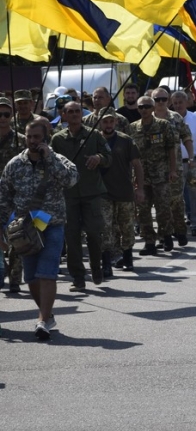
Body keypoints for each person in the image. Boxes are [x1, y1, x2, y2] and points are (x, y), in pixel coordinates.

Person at [0, 121, 78, 339]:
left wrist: (50, 158)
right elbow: (4, 196)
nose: (33, 141)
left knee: (47, 273)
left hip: (52, 224)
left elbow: (71, 180)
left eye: (37, 137)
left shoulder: (58, 160)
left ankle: (42, 321)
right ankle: (47, 313)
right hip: (25, 228)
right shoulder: (15, 164)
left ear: (46, 137)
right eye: (29, 136)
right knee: (31, 277)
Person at [50, 100, 112, 292]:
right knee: (72, 236)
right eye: (71, 112)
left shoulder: (94, 135)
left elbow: (109, 158)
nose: (75, 114)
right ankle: (78, 277)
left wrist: (99, 158)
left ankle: (96, 268)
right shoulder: (57, 139)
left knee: (94, 233)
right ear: (64, 115)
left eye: (78, 111)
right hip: (68, 195)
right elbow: (51, 164)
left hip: (91, 192)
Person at [128, 96, 177, 256]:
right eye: (141, 107)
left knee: (163, 207)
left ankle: (167, 234)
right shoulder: (133, 128)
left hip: (161, 174)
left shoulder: (163, 125)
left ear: (153, 107)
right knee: (143, 210)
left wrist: (172, 169)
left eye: (147, 107)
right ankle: (149, 241)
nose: (144, 110)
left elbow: (171, 148)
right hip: (142, 177)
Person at [98, 112, 144, 273]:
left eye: (111, 121)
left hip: (124, 191)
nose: (108, 125)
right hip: (103, 193)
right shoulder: (94, 140)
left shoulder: (126, 140)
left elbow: (137, 164)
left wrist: (140, 188)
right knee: (105, 228)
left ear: (116, 122)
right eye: (105, 122)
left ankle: (128, 257)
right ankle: (107, 262)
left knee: (126, 226)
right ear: (100, 123)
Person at [153, 88, 192, 246]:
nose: (161, 102)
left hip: (175, 167)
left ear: (168, 100)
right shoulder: (148, 119)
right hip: (155, 169)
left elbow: (187, 137)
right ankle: (164, 235)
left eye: (163, 99)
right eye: (157, 99)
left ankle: (180, 231)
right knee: (161, 204)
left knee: (176, 202)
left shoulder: (175, 117)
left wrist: (191, 158)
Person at [171, 91, 196, 237]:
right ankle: (178, 225)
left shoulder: (195, 118)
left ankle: (195, 224)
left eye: (181, 102)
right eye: (175, 103)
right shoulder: (169, 118)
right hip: (175, 164)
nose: (178, 105)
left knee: (195, 194)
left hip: (194, 164)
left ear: (187, 102)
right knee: (176, 197)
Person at [0, 97, 25, 293]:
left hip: (15, 196)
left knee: (17, 237)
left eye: (6, 114)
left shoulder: (21, 140)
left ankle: (15, 278)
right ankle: (2, 273)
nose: (2, 118)